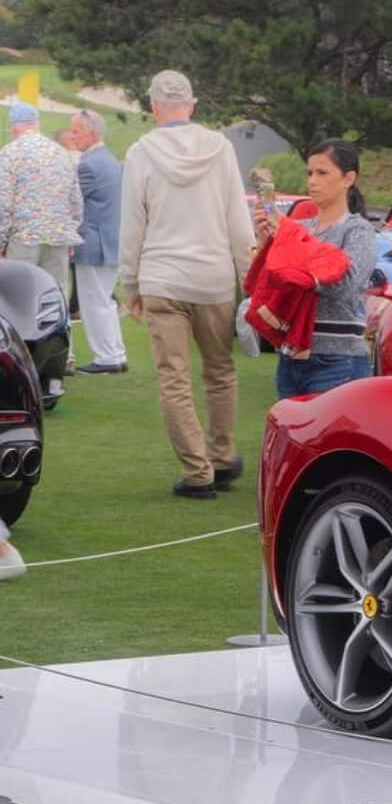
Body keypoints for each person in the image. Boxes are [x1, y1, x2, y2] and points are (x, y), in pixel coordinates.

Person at [118, 69, 255, 499]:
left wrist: (130, 283)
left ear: (154, 106)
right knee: (220, 371)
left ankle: (198, 471)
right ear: (191, 105)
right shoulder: (220, 148)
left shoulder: (141, 152)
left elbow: (132, 225)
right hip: (213, 275)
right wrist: (248, 276)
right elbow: (238, 220)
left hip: (163, 276)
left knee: (174, 378)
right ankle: (221, 455)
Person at [250, 139, 377, 397]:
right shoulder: (301, 228)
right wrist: (266, 243)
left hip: (338, 358)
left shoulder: (358, 230)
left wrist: (290, 240)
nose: (313, 181)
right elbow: (269, 285)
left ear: (348, 178)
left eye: (322, 173)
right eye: (309, 173)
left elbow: (345, 283)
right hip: (292, 355)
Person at [65, 110, 127, 374]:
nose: (72, 136)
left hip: (94, 245)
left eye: (76, 131)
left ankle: (107, 358)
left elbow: (71, 201)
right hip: (108, 243)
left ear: (92, 134)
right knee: (104, 302)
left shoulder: (89, 164)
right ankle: (114, 354)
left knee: (94, 303)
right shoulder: (108, 160)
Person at [0, 101, 82, 293]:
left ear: (13, 127)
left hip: (24, 238)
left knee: (20, 297)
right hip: (58, 235)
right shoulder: (61, 153)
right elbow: (76, 201)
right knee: (54, 297)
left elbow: (3, 204)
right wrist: (71, 230)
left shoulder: (9, 154)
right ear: (38, 124)